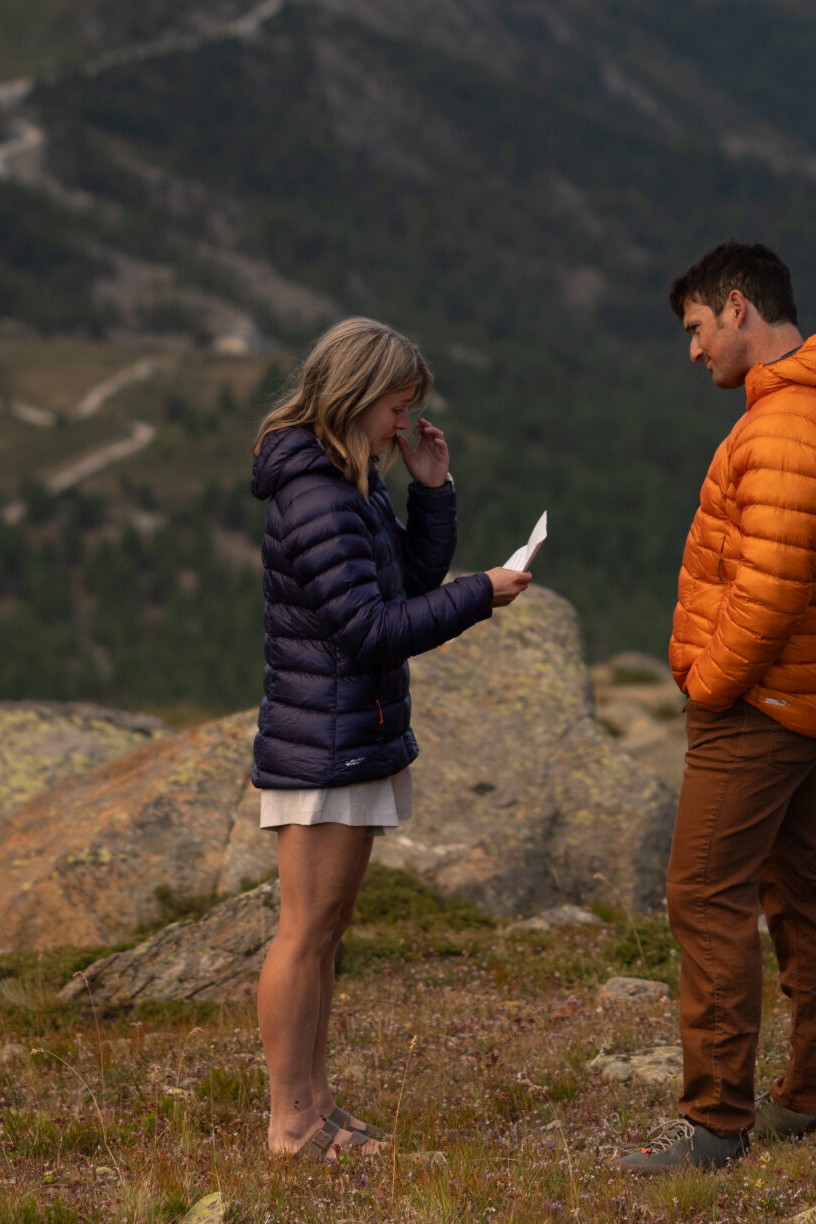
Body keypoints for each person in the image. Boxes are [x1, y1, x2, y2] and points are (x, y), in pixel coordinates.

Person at [616, 241, 816, 1175]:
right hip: (804, 695)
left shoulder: (782, 427)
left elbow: (770, 592)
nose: (692, 351)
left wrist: (708, 682)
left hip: (761, 707)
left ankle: (715, 1122)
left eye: (696, 330)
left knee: (703, 890)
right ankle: (814, 1095)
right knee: (802, 888)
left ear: (737, 308)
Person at [249, 315, 532, 1161]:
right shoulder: (315, 494)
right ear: (359, 393)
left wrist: (431, 490)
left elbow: (404, 581)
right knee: (306, 929)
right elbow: (369, 630)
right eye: (398, 408)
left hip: (350, 729)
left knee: (325, 928)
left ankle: (315, 1107)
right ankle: (290, 1123)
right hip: (324, 737)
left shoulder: (353, 481)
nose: (403, 424)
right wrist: (481, 592)